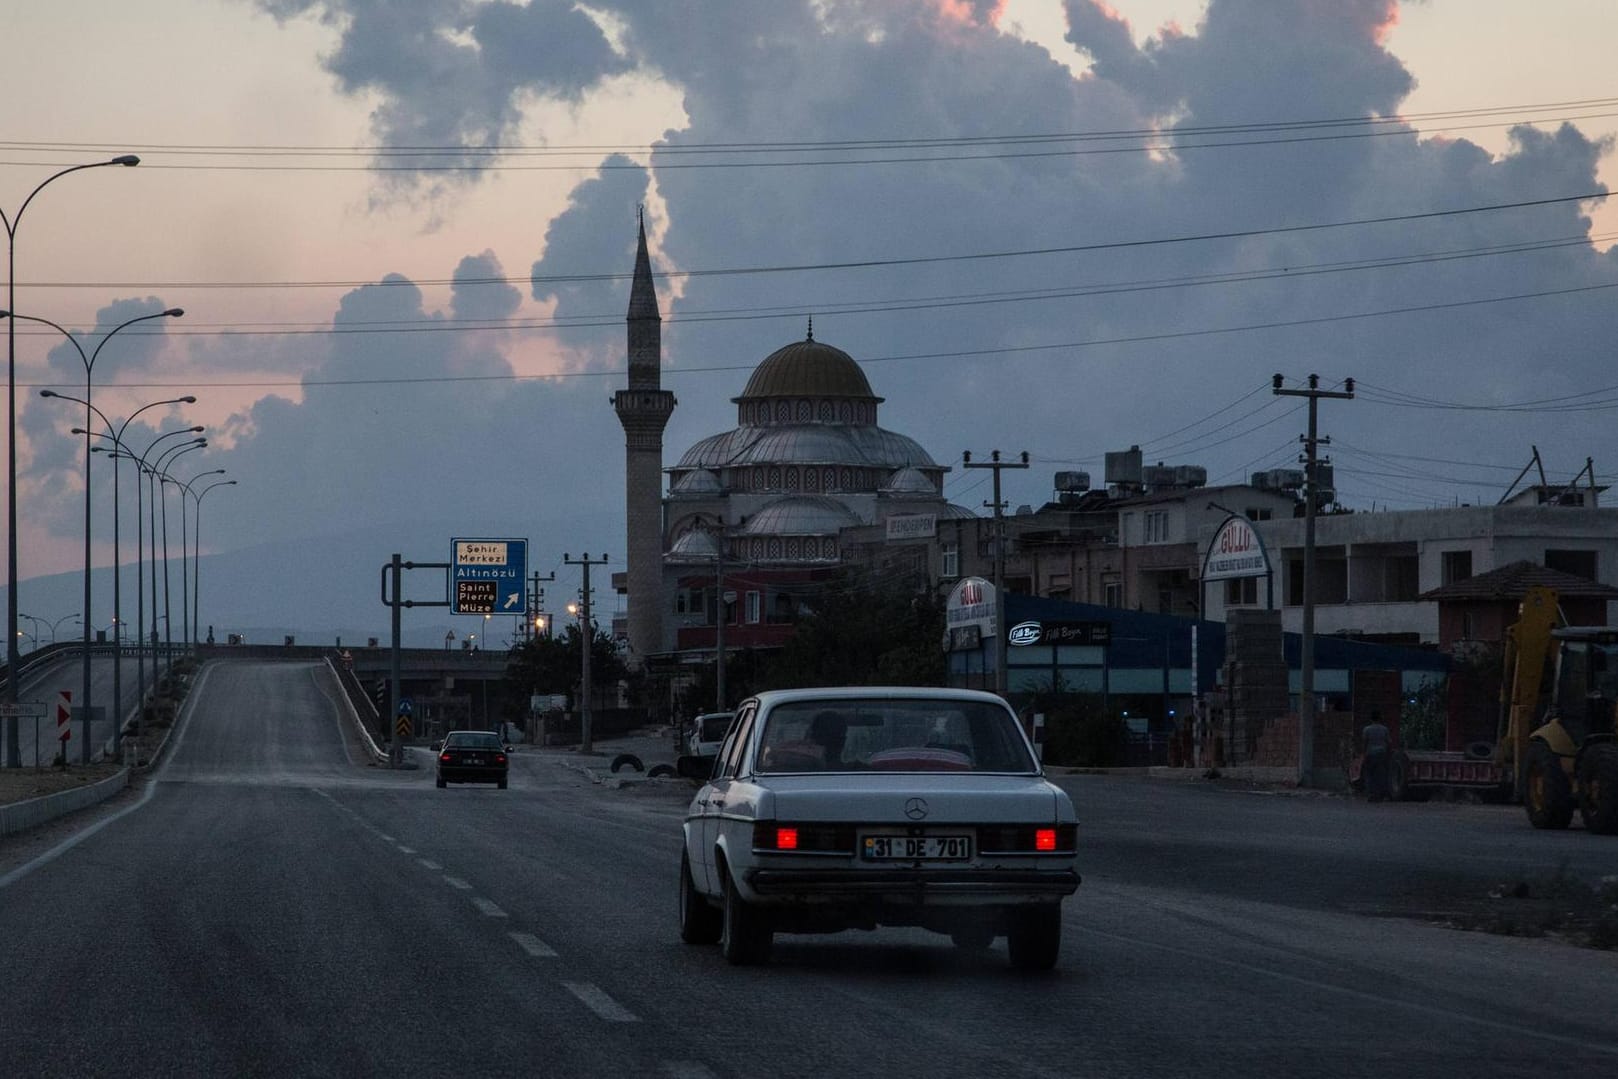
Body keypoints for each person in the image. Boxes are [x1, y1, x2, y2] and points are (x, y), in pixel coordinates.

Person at [1361, 710, 1392, 802]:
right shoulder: (1384, 729)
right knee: (1380, 775)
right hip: (1382, 754)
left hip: (1370, 754)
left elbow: (1364, 743)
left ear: (1371, 719)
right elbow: (1389, 742)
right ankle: (1380, 794)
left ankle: (1371, 794)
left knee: (1370, 774)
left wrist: (1363, 754)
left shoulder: (1367, 729)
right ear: (1380, 718)